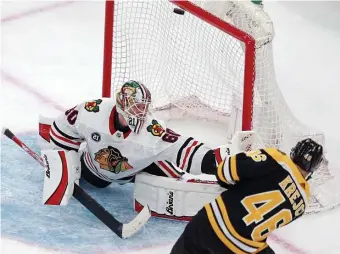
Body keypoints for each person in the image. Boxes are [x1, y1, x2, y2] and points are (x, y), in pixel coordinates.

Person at [38, 80, 223, 208]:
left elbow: (183, 148)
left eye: (144, 107)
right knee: (95, 182)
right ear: (122, 104)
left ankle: (186, 183)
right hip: (96, 169)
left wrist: (215, 160)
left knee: (175, 179)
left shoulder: (152, 132)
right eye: (136, 106)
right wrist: (63, 165)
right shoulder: (93, 111)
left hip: (139, 167)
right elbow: (63, 127)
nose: (141, 113)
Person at [170, 138, 324, 254]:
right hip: (240, 249)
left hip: (209, 227)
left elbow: (224, 173)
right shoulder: (303, 201)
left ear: (294, 151)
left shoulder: (276, 158)